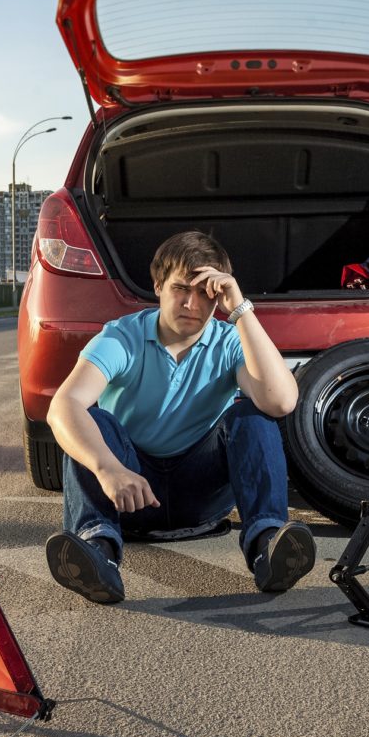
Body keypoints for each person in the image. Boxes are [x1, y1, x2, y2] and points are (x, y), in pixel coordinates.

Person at [44, 231, 316, 604]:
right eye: (180, 289)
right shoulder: (123, 337)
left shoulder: (230, 339)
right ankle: (99, 553)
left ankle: (267, 546)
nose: (192, 303)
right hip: (131, 492)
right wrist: (109, 468)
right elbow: (63, 405)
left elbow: (281, 402)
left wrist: (240, 309)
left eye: (206, 292)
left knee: (250, 414)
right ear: (158, 285)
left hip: (200, 494)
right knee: (92, 419)